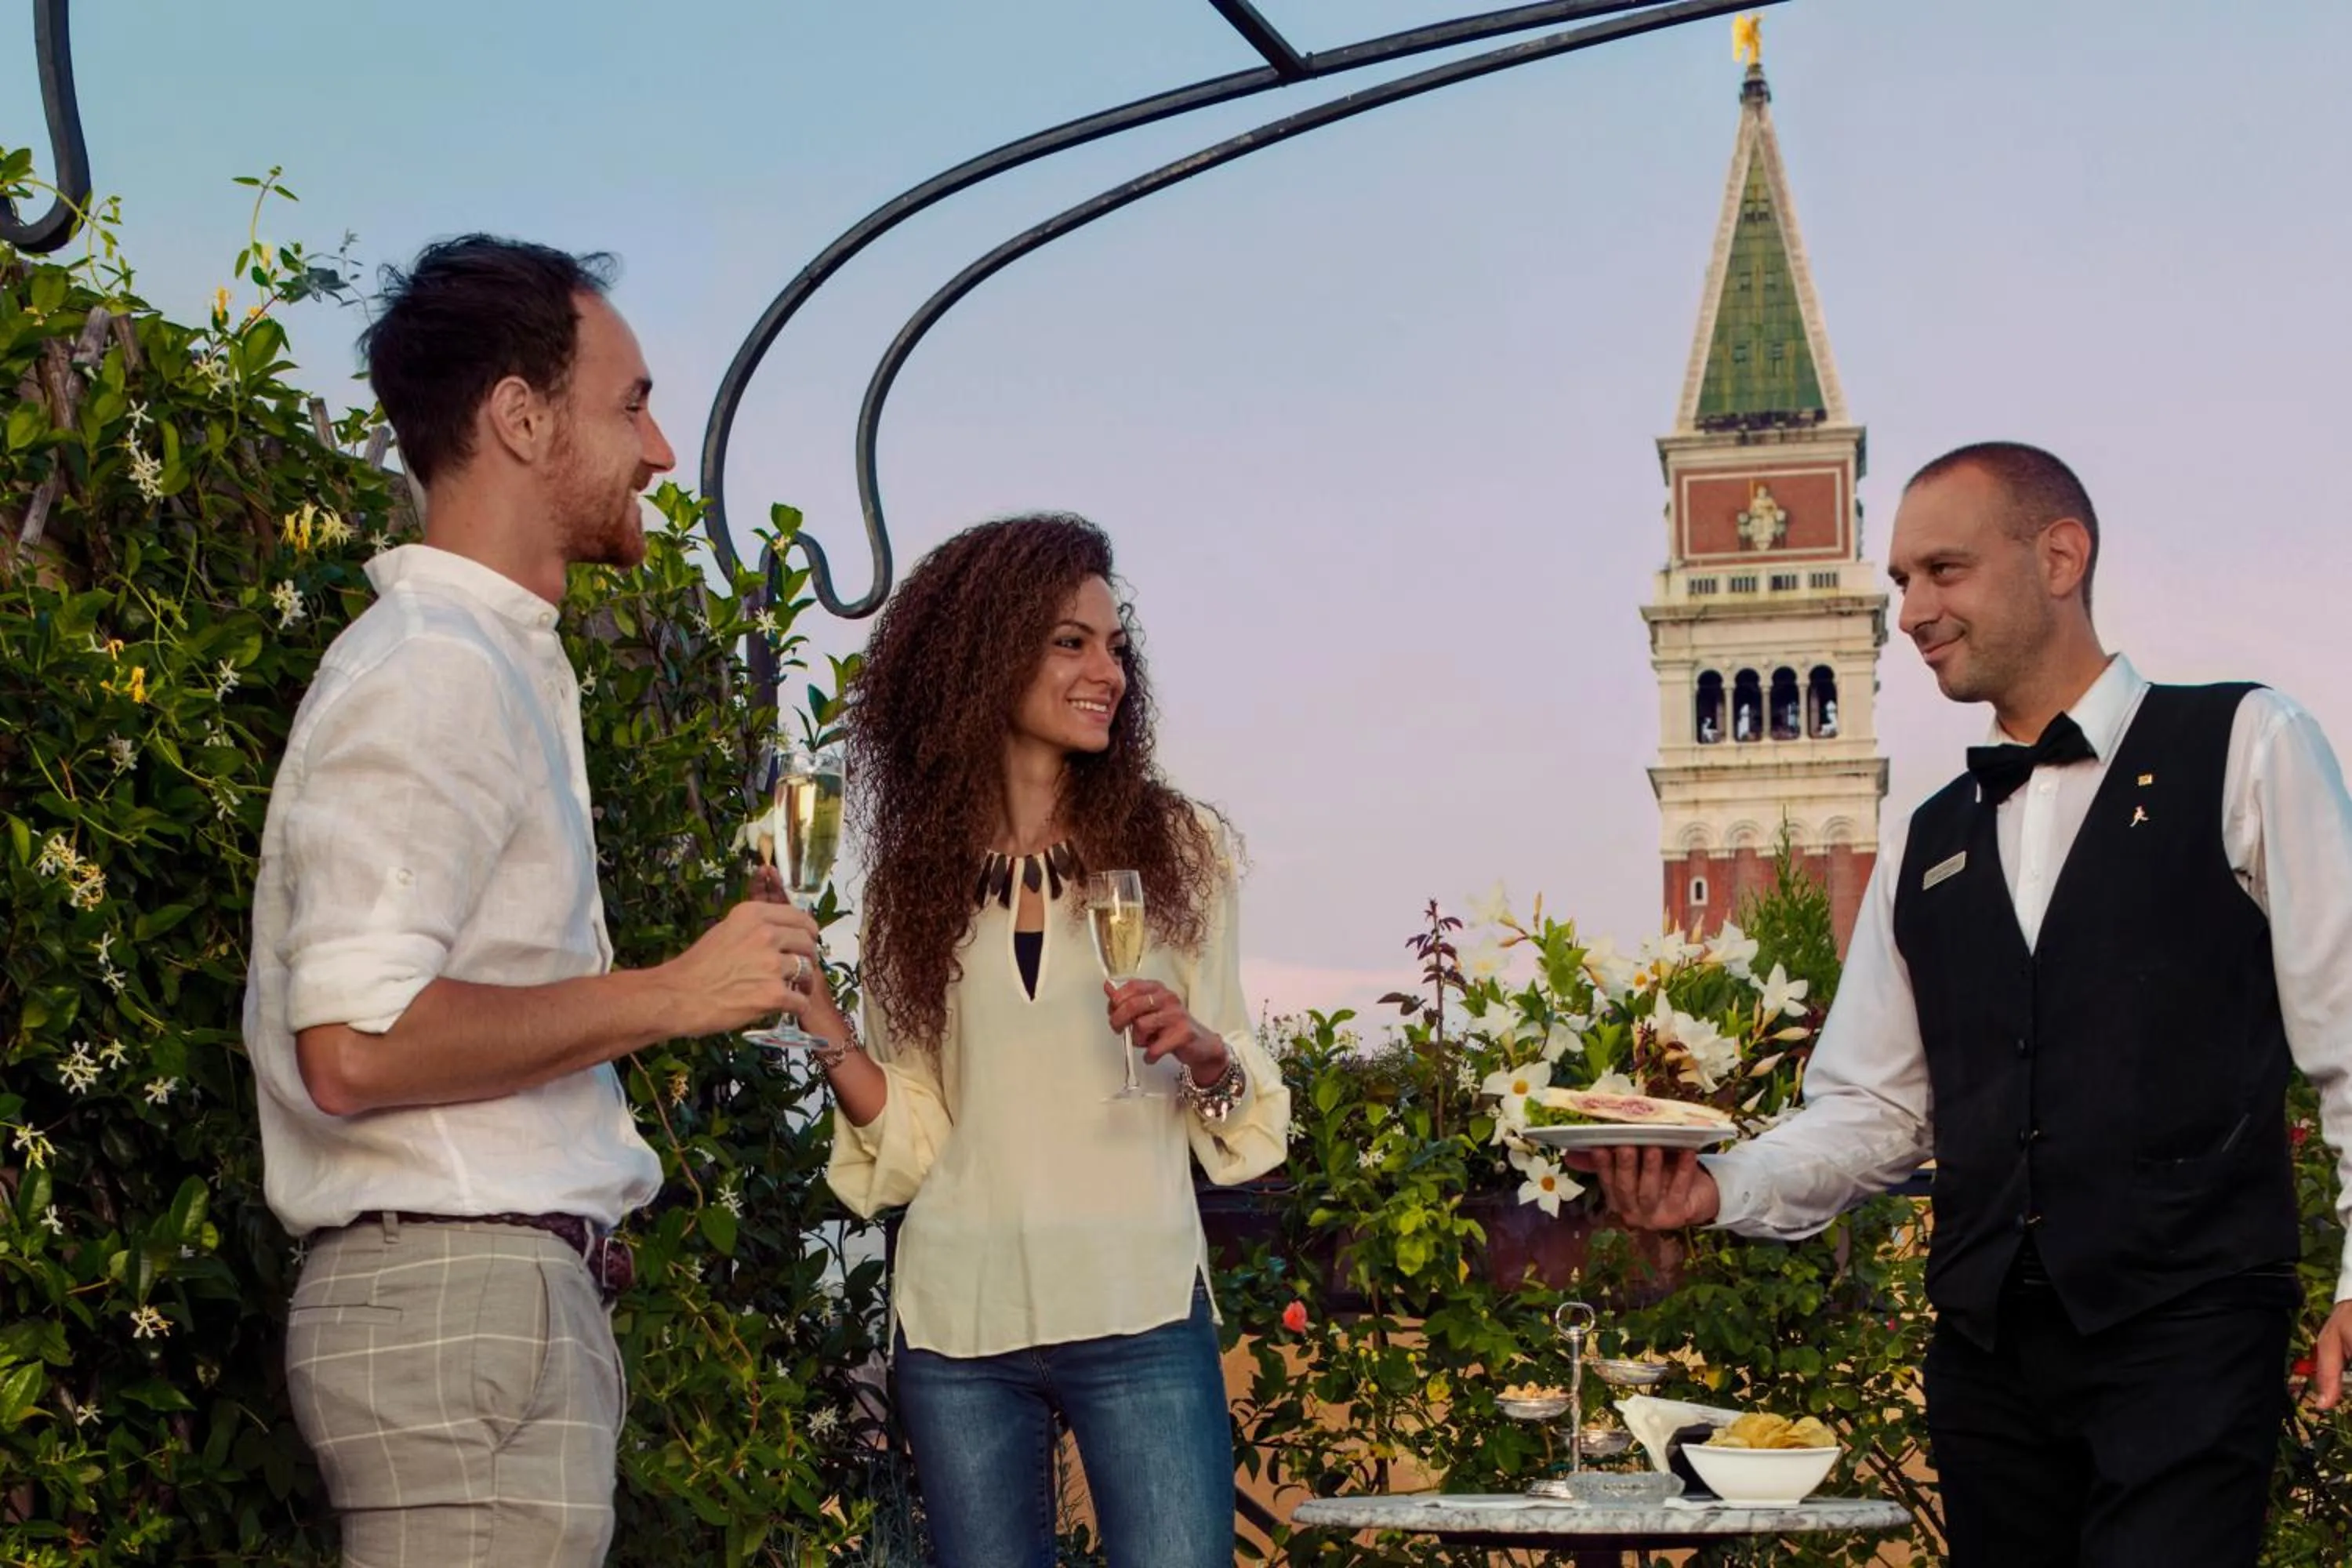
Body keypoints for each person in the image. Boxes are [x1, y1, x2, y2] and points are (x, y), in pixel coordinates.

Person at [1574, 441, 2352, 1568]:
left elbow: (2346, 1034)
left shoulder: (2246, 744)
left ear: (2060, 558)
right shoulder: (1926, 842)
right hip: (1988, 1355)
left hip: (2188, 1328)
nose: (1912, 613)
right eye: (1902, 582)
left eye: (1945, 571)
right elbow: (1876, 1111)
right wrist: (1718, 1187)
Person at [244, 235, 821, 1565]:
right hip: (460, 1298)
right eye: (632, 405)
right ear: (520, 416)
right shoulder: (437, 669)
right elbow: (354, 1046)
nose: (660, 451)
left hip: (479, 1303)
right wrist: (673, 994)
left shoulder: (483, 664)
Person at [800, 514, 1290, 1568]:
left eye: (1115, 646)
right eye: (1072, 642)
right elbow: (918, 1134)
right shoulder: (911, 889)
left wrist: (1204, 1053)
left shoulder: (1181, 850)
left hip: (1137, 1301)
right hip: (960, 1323)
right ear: (984, 656)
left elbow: (1239, 1087)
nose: (1108, 671)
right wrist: (824, 1027)